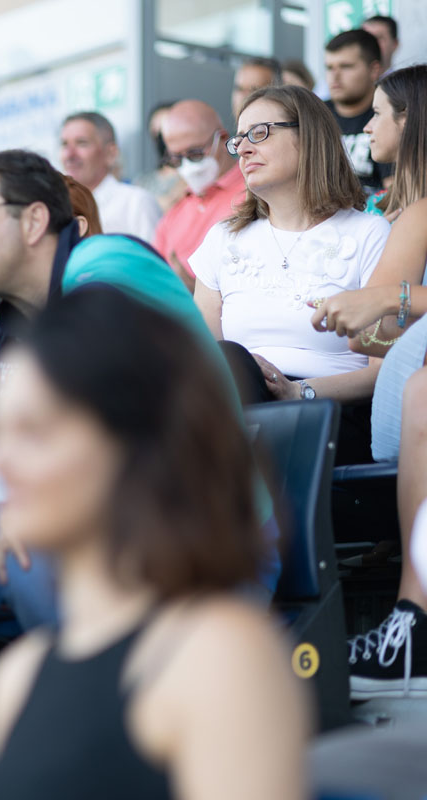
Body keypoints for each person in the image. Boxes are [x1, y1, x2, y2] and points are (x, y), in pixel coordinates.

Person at [0, 288, 307, 800]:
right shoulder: (17, 676)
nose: (2, 465)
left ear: (129, 446)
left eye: (34, 433)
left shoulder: (219, 657)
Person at [0, 149, 248, 629]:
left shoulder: (109, 262)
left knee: (43, 550)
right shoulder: (0, 329)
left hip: (192, 533)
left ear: (33, 222)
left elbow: (110, 426)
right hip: (78, 525)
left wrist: (20, 496)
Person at [306, 65, 427, 697]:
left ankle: (412, 625)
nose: (368, 126)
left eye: (379, 113)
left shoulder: (412, 213)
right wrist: (385, 306)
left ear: (412, 121)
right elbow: (367, 336)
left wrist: (391, 298)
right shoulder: (403, 212)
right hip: (400, 406)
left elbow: (374, 321)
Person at [189, 85, 390, 465]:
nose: (244, 149)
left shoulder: (368, 233)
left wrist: (298, 392)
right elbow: (205, 360)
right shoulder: (222, 239)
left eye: (260, 133)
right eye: (239, 140)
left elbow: (384, 370)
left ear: (309, 137)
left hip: (327, 415)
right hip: (236, 408)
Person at [153, 99, 247, 290]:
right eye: (176, 159)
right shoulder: (176, 207)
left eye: (195, 154)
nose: (187, 166)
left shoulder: (253, 193)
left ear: (222, 138)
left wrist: (195, 289)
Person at [60, 111, 161, 240]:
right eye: (64, 144)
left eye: (82, 143)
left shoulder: (136, 203)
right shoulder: (56, 208)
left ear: (111, 153)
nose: (69, 154)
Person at [325, 29, 392, 194]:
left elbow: (396, 191)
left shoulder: (391, 117)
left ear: (374, 70)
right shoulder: (313, 115)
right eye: (329, 67)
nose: (335, 76)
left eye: (346, 66)